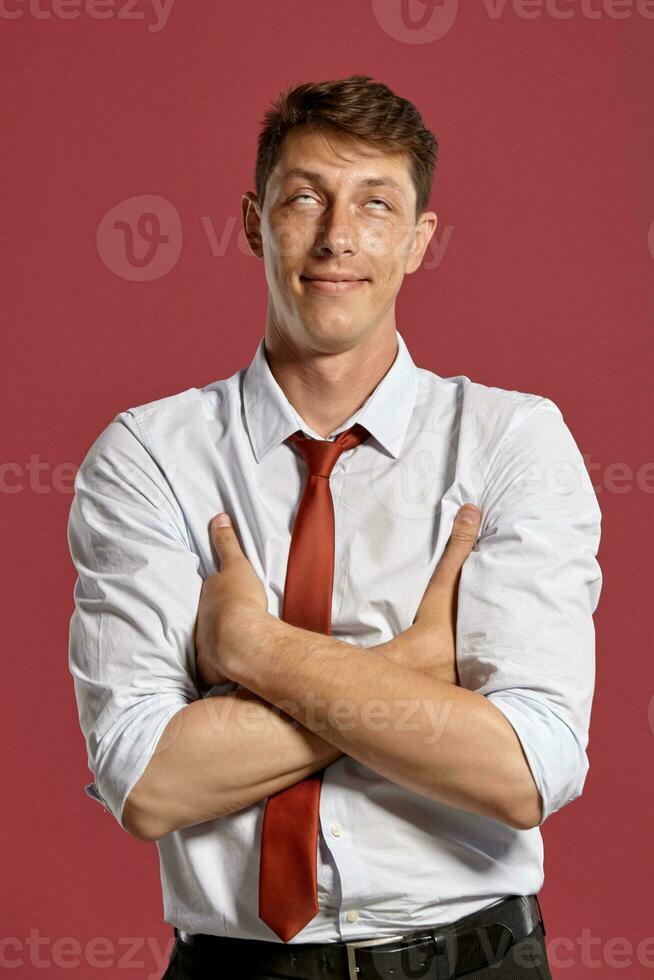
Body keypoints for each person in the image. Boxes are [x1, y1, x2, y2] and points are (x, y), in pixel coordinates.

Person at [67, 75, 602, 980]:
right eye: (305, 197)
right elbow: (150, 782)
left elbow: (523, 771)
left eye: (377, 204)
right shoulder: (148, 456)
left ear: (419, 240)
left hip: (474, 962)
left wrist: (251, 647)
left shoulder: (513, 440)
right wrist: (406, 671)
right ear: (252, 221)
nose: (337, 238)